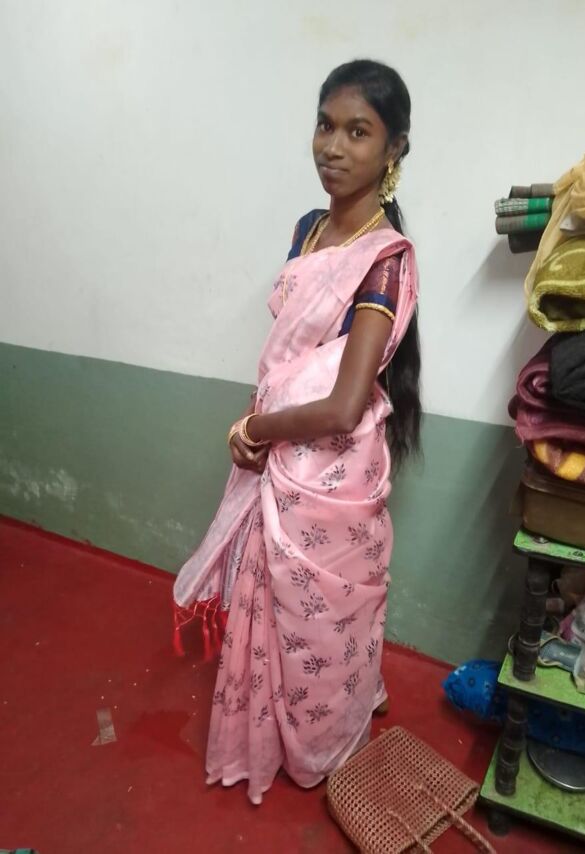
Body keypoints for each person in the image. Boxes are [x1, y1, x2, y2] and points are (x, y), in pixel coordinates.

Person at [173, 59, 421, 805]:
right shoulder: (307, 230)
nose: (333, 147)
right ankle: (271, 726)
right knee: (272, 613)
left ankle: (323, 735)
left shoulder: (384, 258)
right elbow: (293, 351)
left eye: (358, 132)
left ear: (394, 149)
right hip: (278, 455)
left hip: (328, 474)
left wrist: (258, 426)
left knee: (323, 625)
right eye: (325, 125)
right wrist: (264, 429)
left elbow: (343, 407)